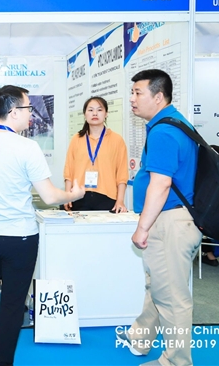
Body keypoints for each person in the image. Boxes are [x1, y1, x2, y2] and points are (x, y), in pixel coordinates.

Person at [0, 85, 85, 364]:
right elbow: (50, 196)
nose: (32, 113)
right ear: (14, 111)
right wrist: (74, 195)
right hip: (20, 238)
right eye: (29, 108)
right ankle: (1, 361)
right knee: (13, 304)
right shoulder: (27, 147)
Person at [116, 69, 201, 366]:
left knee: (172, 298)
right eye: (132, 92)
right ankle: (140, 338)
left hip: (168, 222)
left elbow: (161, 184)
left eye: (138, 92)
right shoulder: (173, 123)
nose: (132, 98)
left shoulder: (164, 132)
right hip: (175, 219)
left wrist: (142, 228)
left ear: (158, 96)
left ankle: (176, 361)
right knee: (158, 285)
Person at [64, 96, 129, 212]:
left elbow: (122, 174)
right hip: (78, 197)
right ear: (85, 114)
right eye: (90, 110)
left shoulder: (117, 140)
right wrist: (67, 195)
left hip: (107, 198)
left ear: (106, 114)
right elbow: (69, 170)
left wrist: (120, 200)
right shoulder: (76, 139)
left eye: (99, 110)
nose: (95, 113)